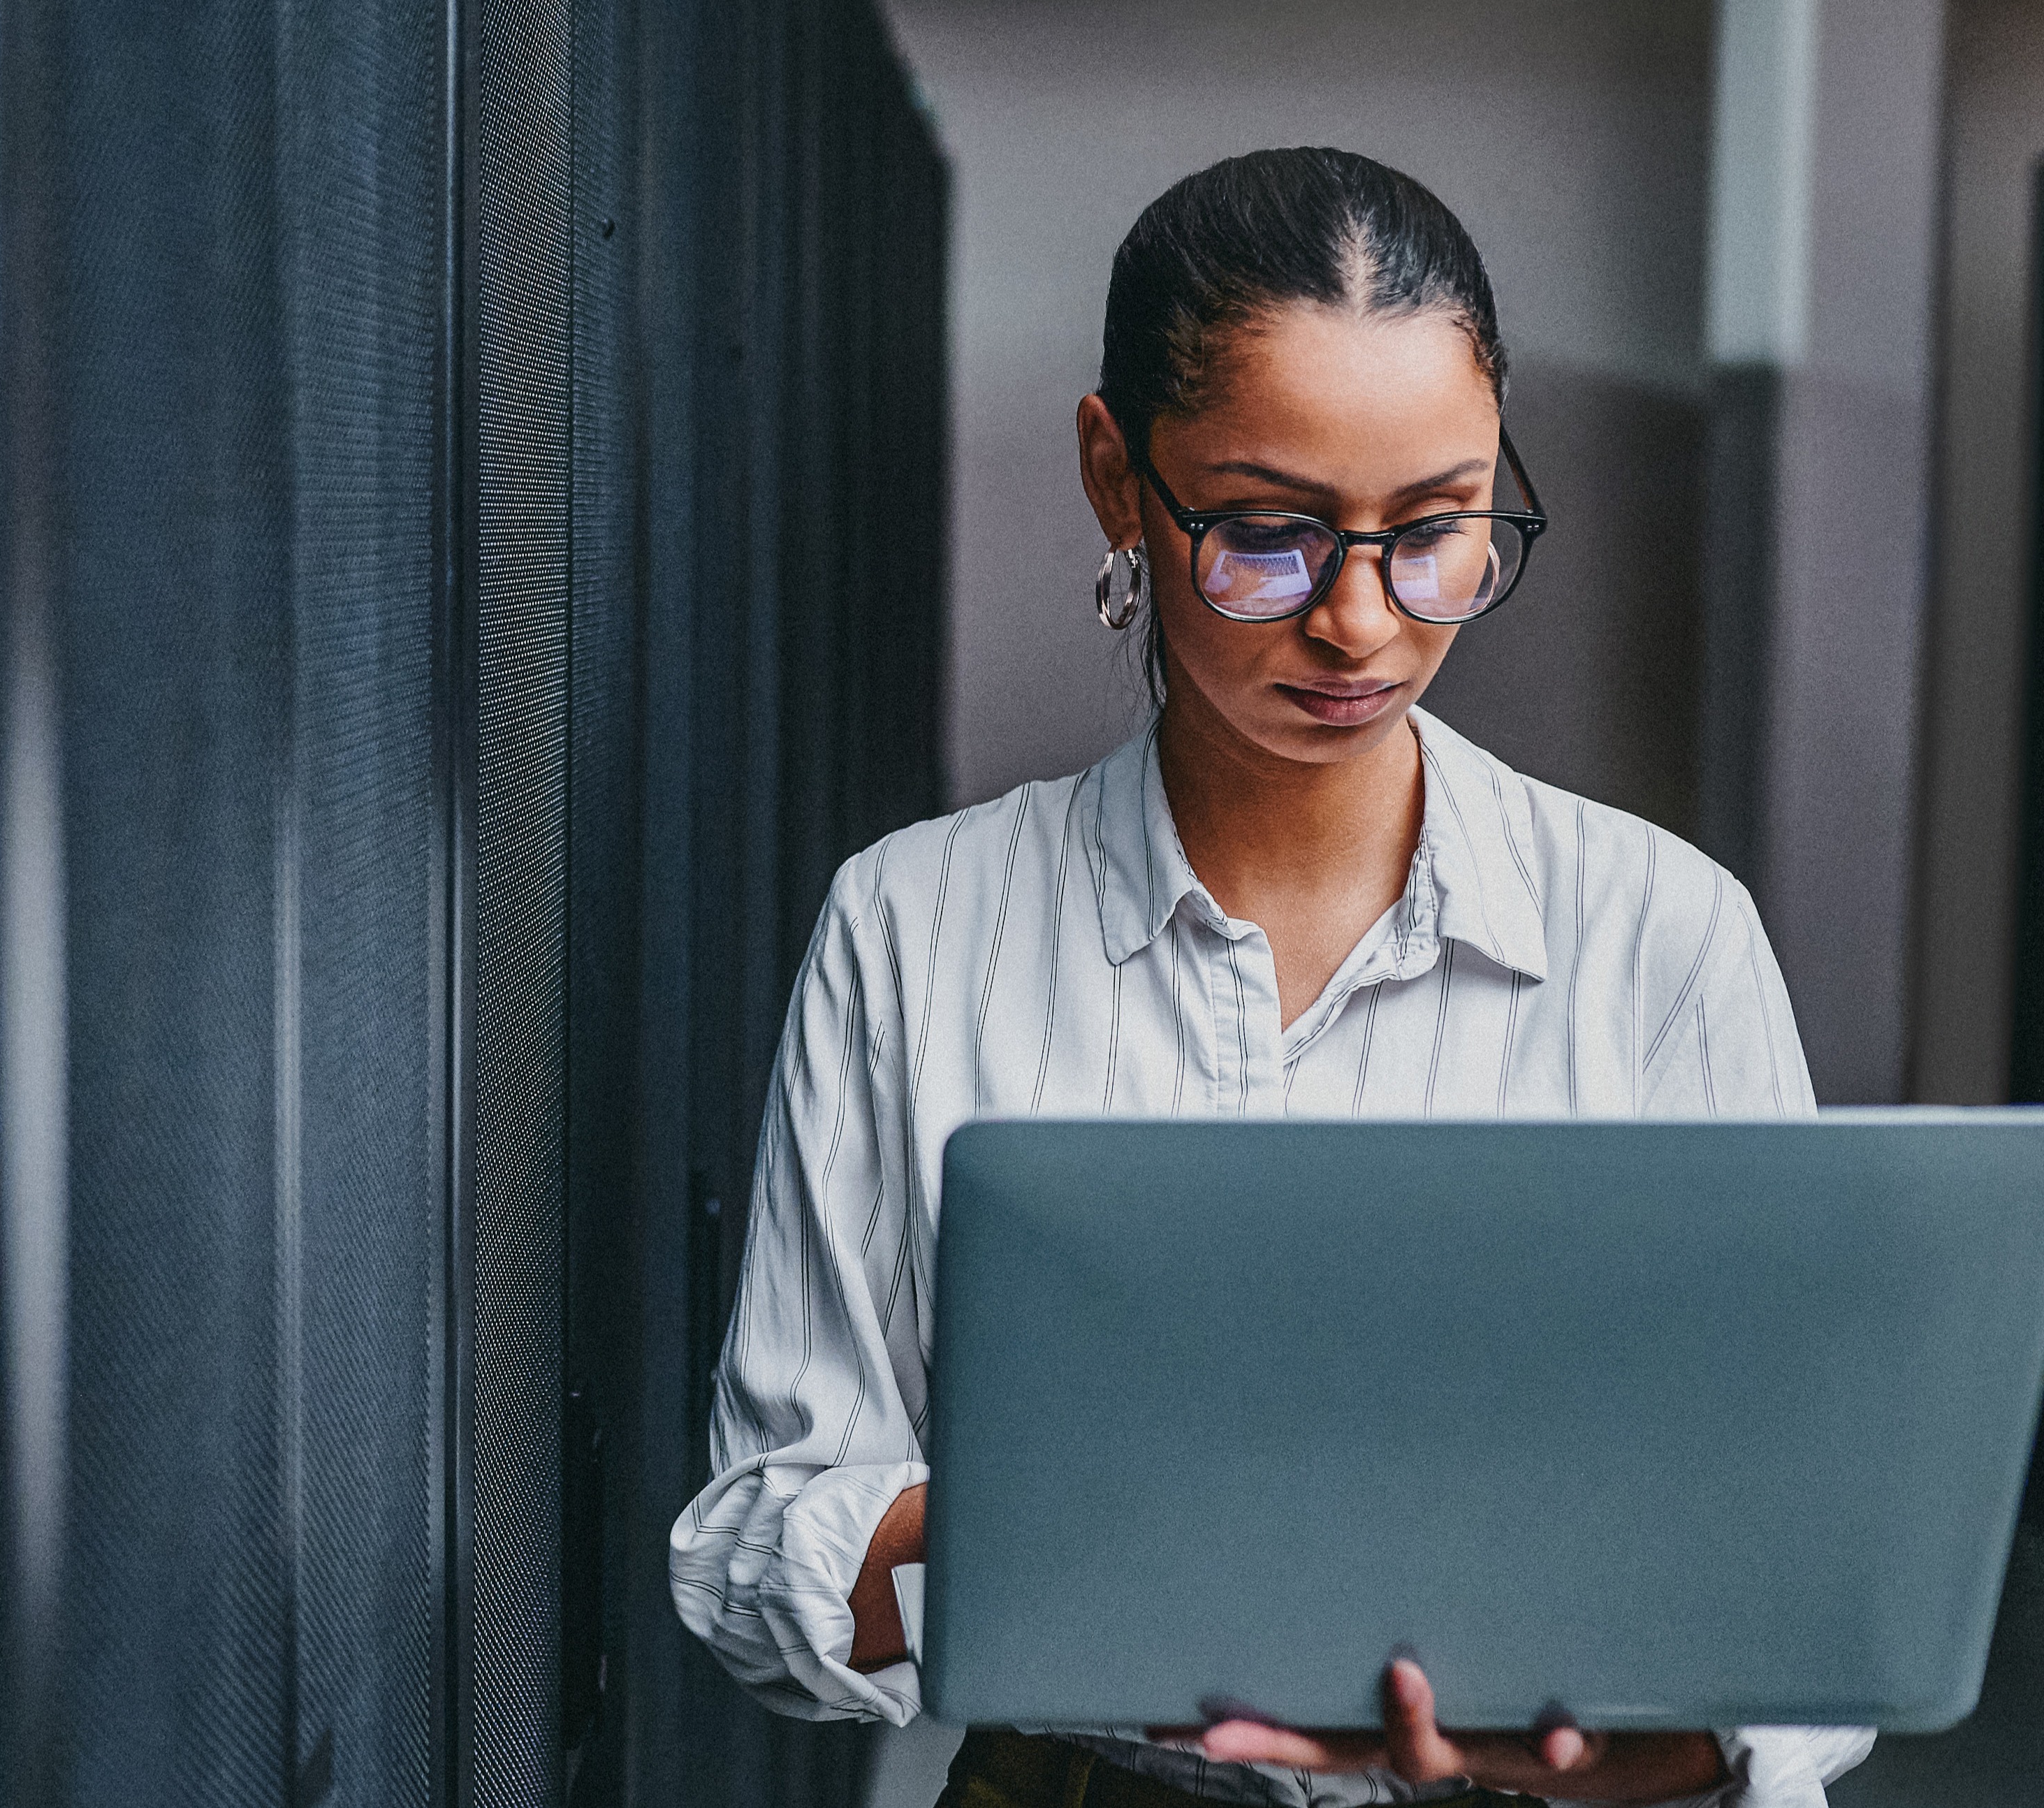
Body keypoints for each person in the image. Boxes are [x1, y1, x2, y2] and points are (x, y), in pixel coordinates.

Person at [662, 147, 1879, 1808]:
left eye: (1437, 530)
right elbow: (752, 1551)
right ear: (1115, 476)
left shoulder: (1661, 938)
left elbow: (1797, 1568)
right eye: (1268, 534)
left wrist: (1640, 1751)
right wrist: (1076, 1522)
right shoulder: (916, 925)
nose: (1361, 623)